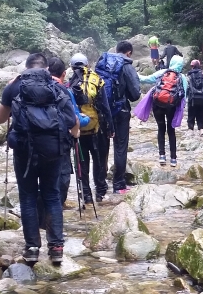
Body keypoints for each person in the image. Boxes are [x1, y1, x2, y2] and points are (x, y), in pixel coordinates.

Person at [0, 53, 80, 264]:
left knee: (28, 197)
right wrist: (74, 136)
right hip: (53, 151)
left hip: (24, 151)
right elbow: (73, 123)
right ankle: (56, 247)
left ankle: (32, 248)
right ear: (46, 70)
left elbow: (0, 119)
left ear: (25, 68)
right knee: (52, 196)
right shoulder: (57, 87)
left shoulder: (15, 86)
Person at [68, 53, 114, 205]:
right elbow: (105, 107)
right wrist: (110, 127)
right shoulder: (97, 80)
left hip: (78, 129)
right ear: (87, 65)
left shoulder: (71, 82)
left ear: (72, 66)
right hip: (97, 128)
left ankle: (86, 195)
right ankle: (100, 192)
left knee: (82, 163)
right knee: (99, 161)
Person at [48, 57, 90, 211]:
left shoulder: (35, 89)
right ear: (64, 73)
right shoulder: (64, 90)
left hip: (37, 142)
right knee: (62, 175)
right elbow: (74, 119)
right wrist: (86, 119)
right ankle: (57, 208)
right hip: (60, 141)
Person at [139, 55, 189, 166]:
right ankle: (173, 159)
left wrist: (134, 75)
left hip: (158, 105)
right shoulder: (182, 78)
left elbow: (145, 79)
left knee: (161, 129)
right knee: (171, 131)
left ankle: (162, 156)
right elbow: (184, 96)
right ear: (181, 65)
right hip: (171, 107)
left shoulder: (162, 72)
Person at [110, 40, 141, 194]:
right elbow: (135, 94)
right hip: (121, 111)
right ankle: (119, 184)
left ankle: (99, 187)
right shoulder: (127, 66)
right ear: (128, 52)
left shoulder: (105, 64)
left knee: (101, 149)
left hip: (103, 111)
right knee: (120, 147)